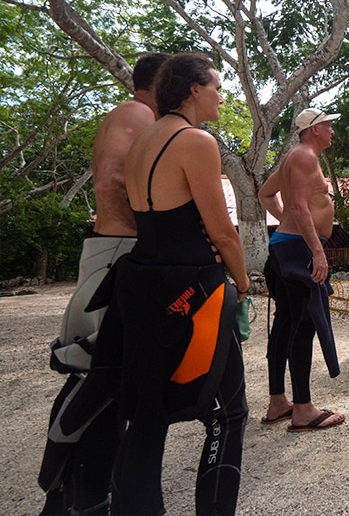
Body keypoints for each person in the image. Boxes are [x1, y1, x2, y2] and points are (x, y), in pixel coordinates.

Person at [88, 52, 250, 515]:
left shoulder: (145, 138)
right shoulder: (195, 140)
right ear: (195, 89)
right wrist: (244, 282)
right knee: (228, 413)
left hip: (140, 282)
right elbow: (222, 231)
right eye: (217, 86)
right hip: (191, 287)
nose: (221, 95)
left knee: (146, 415)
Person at [38, 52, 170, 516]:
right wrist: (161, 230)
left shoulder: (140, 117)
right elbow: (112, 183)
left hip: (120, 249)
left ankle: (90, 488)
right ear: (160, 82)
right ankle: (66, 490)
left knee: (115, 372)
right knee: (94, 367)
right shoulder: (135, 113)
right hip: (118, 249)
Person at [258, 107, 344, 431]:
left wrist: (284, 224)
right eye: (328, 125)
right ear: (314, 129)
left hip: (287, 245)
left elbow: (266, 194)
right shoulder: (304, 156)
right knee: (303, 325)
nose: (332, 130)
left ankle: (278, 401)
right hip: (297, 250)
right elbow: (298, 206)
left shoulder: (294, 157)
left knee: (285, 324)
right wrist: (317, 252)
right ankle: (303, 409)